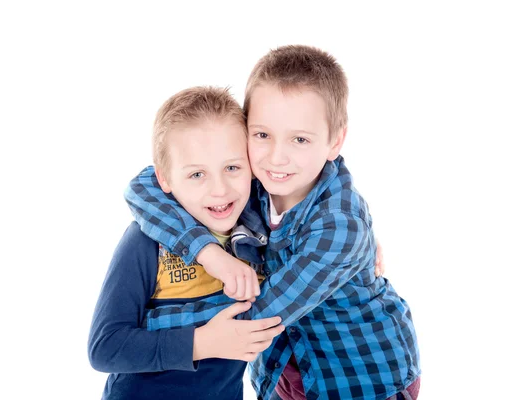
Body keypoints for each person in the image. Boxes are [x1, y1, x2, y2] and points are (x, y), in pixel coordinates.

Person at [124, 45, 421, 399]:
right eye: (262, 135)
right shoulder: (252, 181)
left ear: (335, 141)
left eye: (299, 139)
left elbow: (258, 317)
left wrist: (142, 335)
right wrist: (207, 252)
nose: (277, 157)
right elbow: (144, 186)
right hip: (286, 370)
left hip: (361, 379)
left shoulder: (340, 227)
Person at [88, 86, 285, 400]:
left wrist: (362, 247)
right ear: (164, 178)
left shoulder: (260, 237)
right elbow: (104, 348)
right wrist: (203, 343)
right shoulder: (145, 242)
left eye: (232, 167)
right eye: (197, 174)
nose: (219, 190)